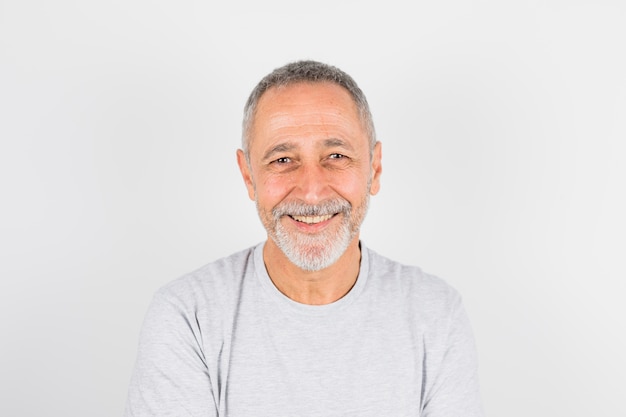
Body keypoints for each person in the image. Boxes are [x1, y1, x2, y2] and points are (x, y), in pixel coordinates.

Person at [124, 60, 484, 417]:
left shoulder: (435, 315)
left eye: (337, 156)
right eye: (282, 160)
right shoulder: (188, 317)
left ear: (374, 168)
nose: (312, 192)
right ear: (248, 176)